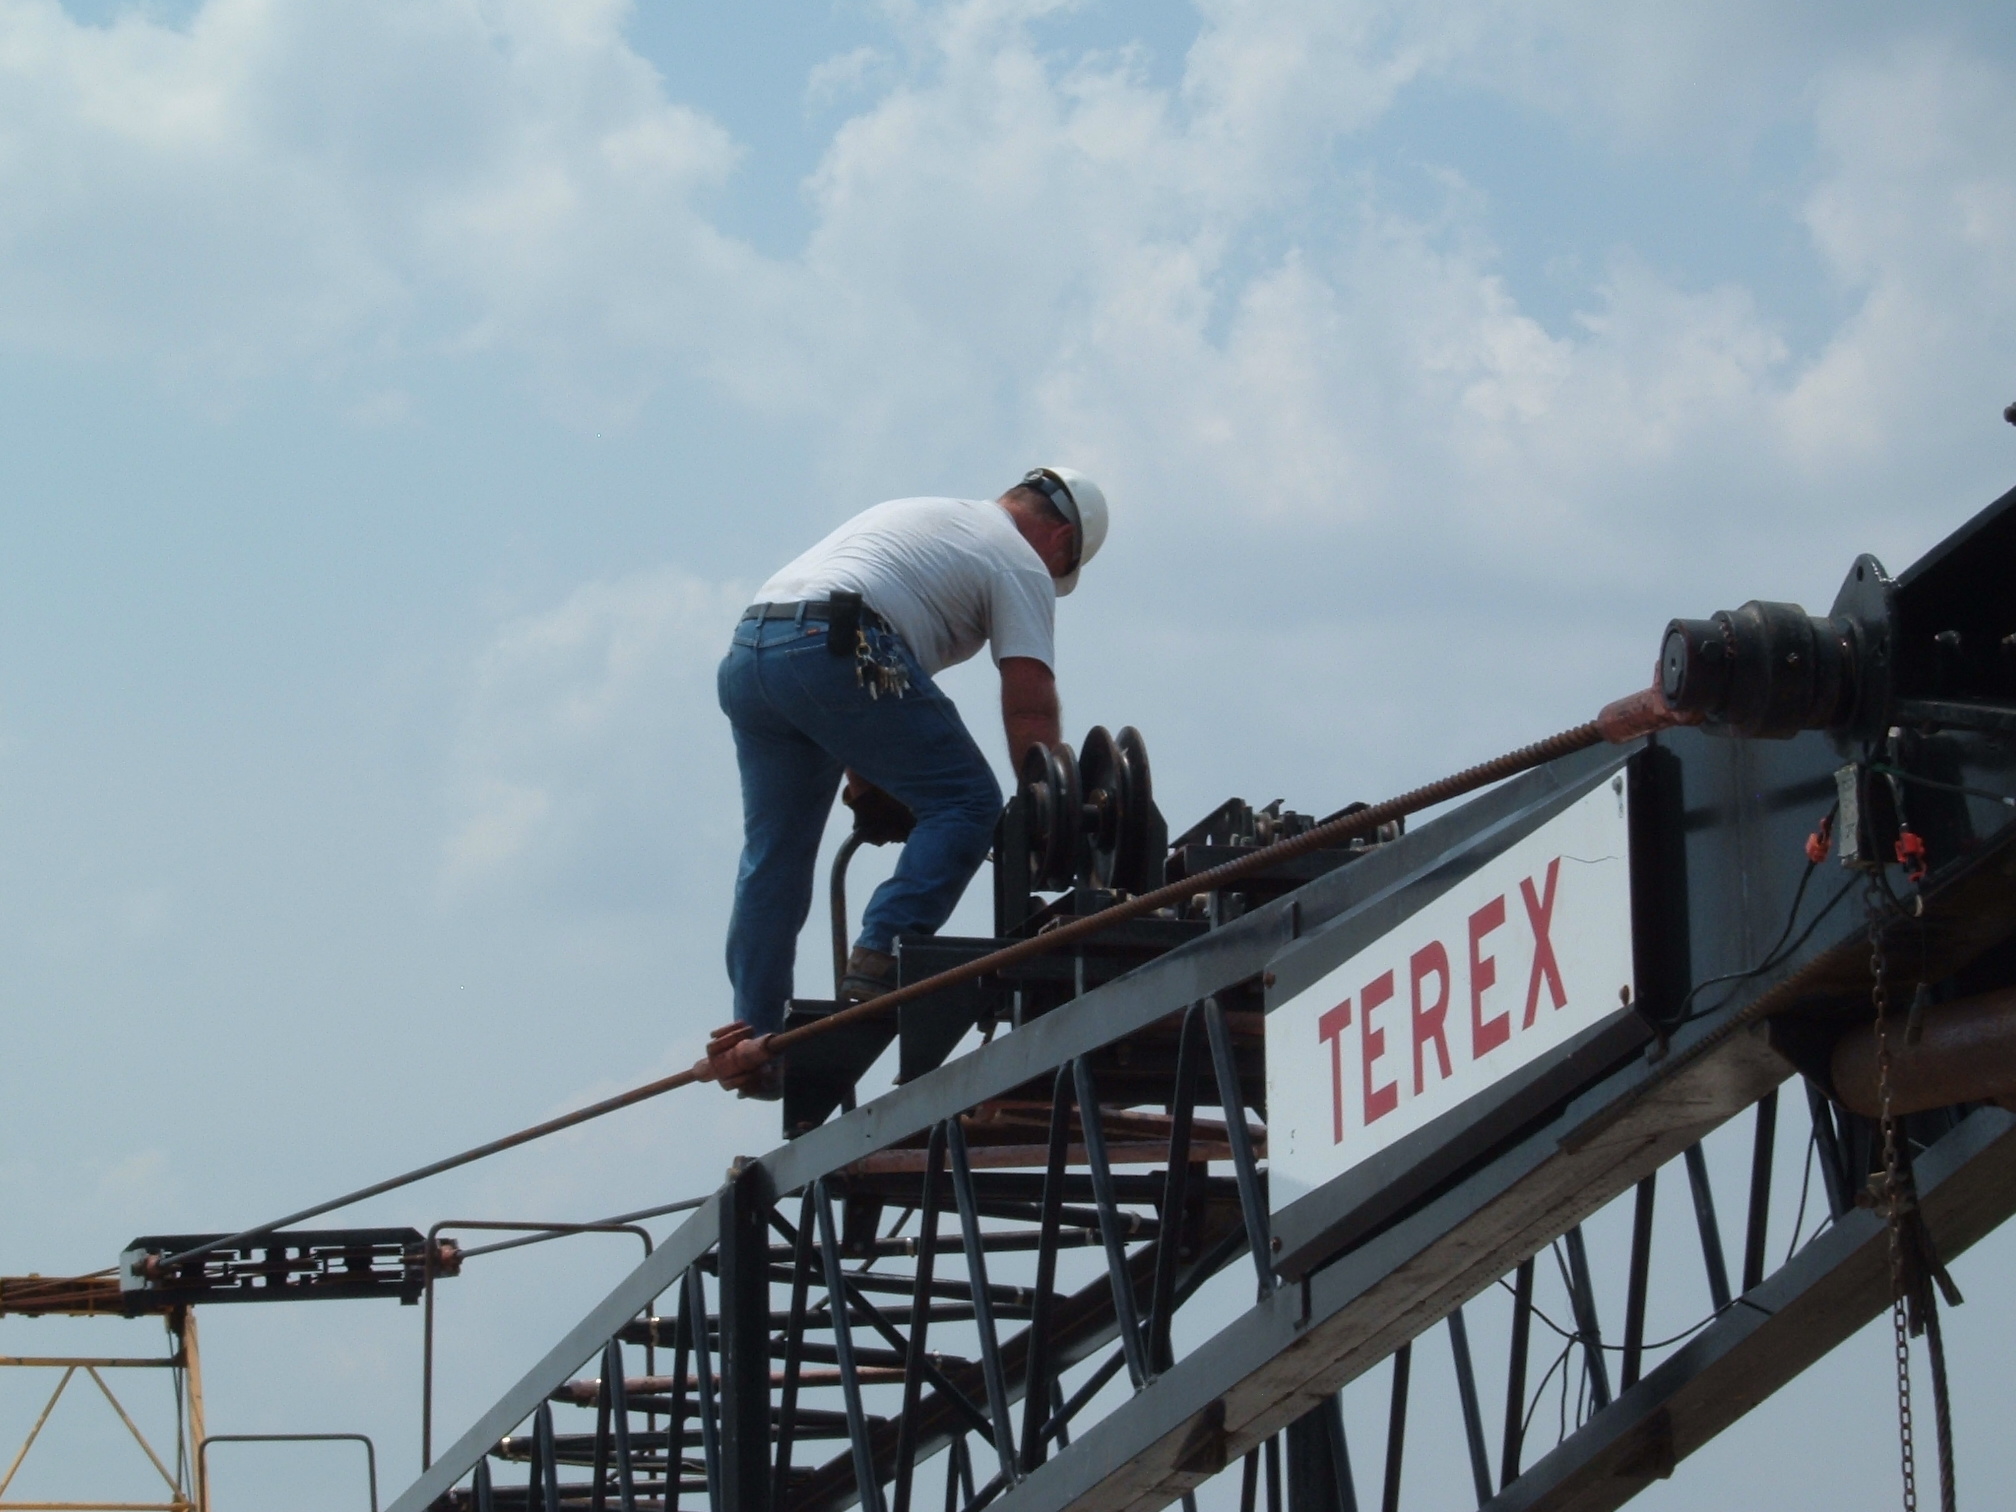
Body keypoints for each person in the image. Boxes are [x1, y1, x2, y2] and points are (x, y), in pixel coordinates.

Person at [715, 468, 1109, 1089]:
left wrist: (870, 786)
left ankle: (753, 1039)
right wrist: (1052, 811)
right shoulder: (1020, 561)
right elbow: (1029, 708)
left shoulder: (929, 518)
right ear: (1062, 540)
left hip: (751, 655)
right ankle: (883, 952)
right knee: (967, 802)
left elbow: (863, 690)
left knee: (774, 858)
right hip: (830, 646)